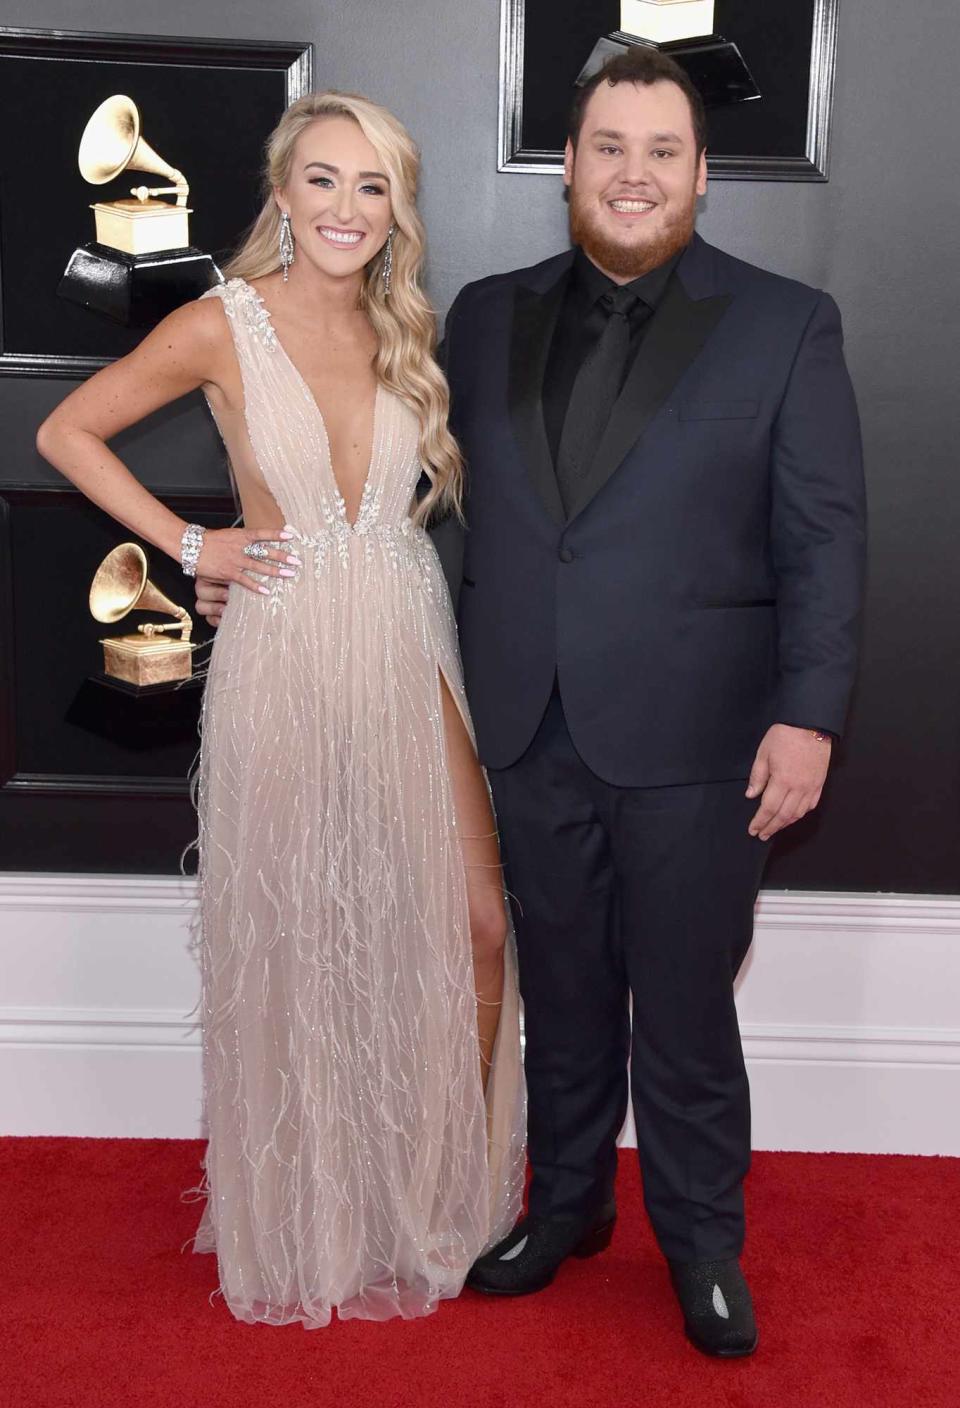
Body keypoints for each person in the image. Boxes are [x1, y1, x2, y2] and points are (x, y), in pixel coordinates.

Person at [197, 52, 866, 1355]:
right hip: (525, 721)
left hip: (702, 741)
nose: (632, 173)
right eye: (607, 147)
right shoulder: (485, 316)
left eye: (660, 150)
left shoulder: (788, 322)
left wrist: (812, 713)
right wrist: (244, 566)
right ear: (568, 166)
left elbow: (826, 541)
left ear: (699, 172)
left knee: (680, 1002)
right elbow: (372, 479)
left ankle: (700, 1240)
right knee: (558, 989)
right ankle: (560, 1207)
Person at [36, 91, 524, 1329]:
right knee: (309, 927)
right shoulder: (221, 323)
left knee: (472, 922)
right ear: (282, 192)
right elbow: (67, 430)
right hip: (290, 645)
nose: (347, 209)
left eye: (373, 186)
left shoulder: (407, 325)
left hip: (412, 638)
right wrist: (194, 540)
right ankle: (316, 1211)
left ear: (397, 207)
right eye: (323, 180)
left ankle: (446, 1198)